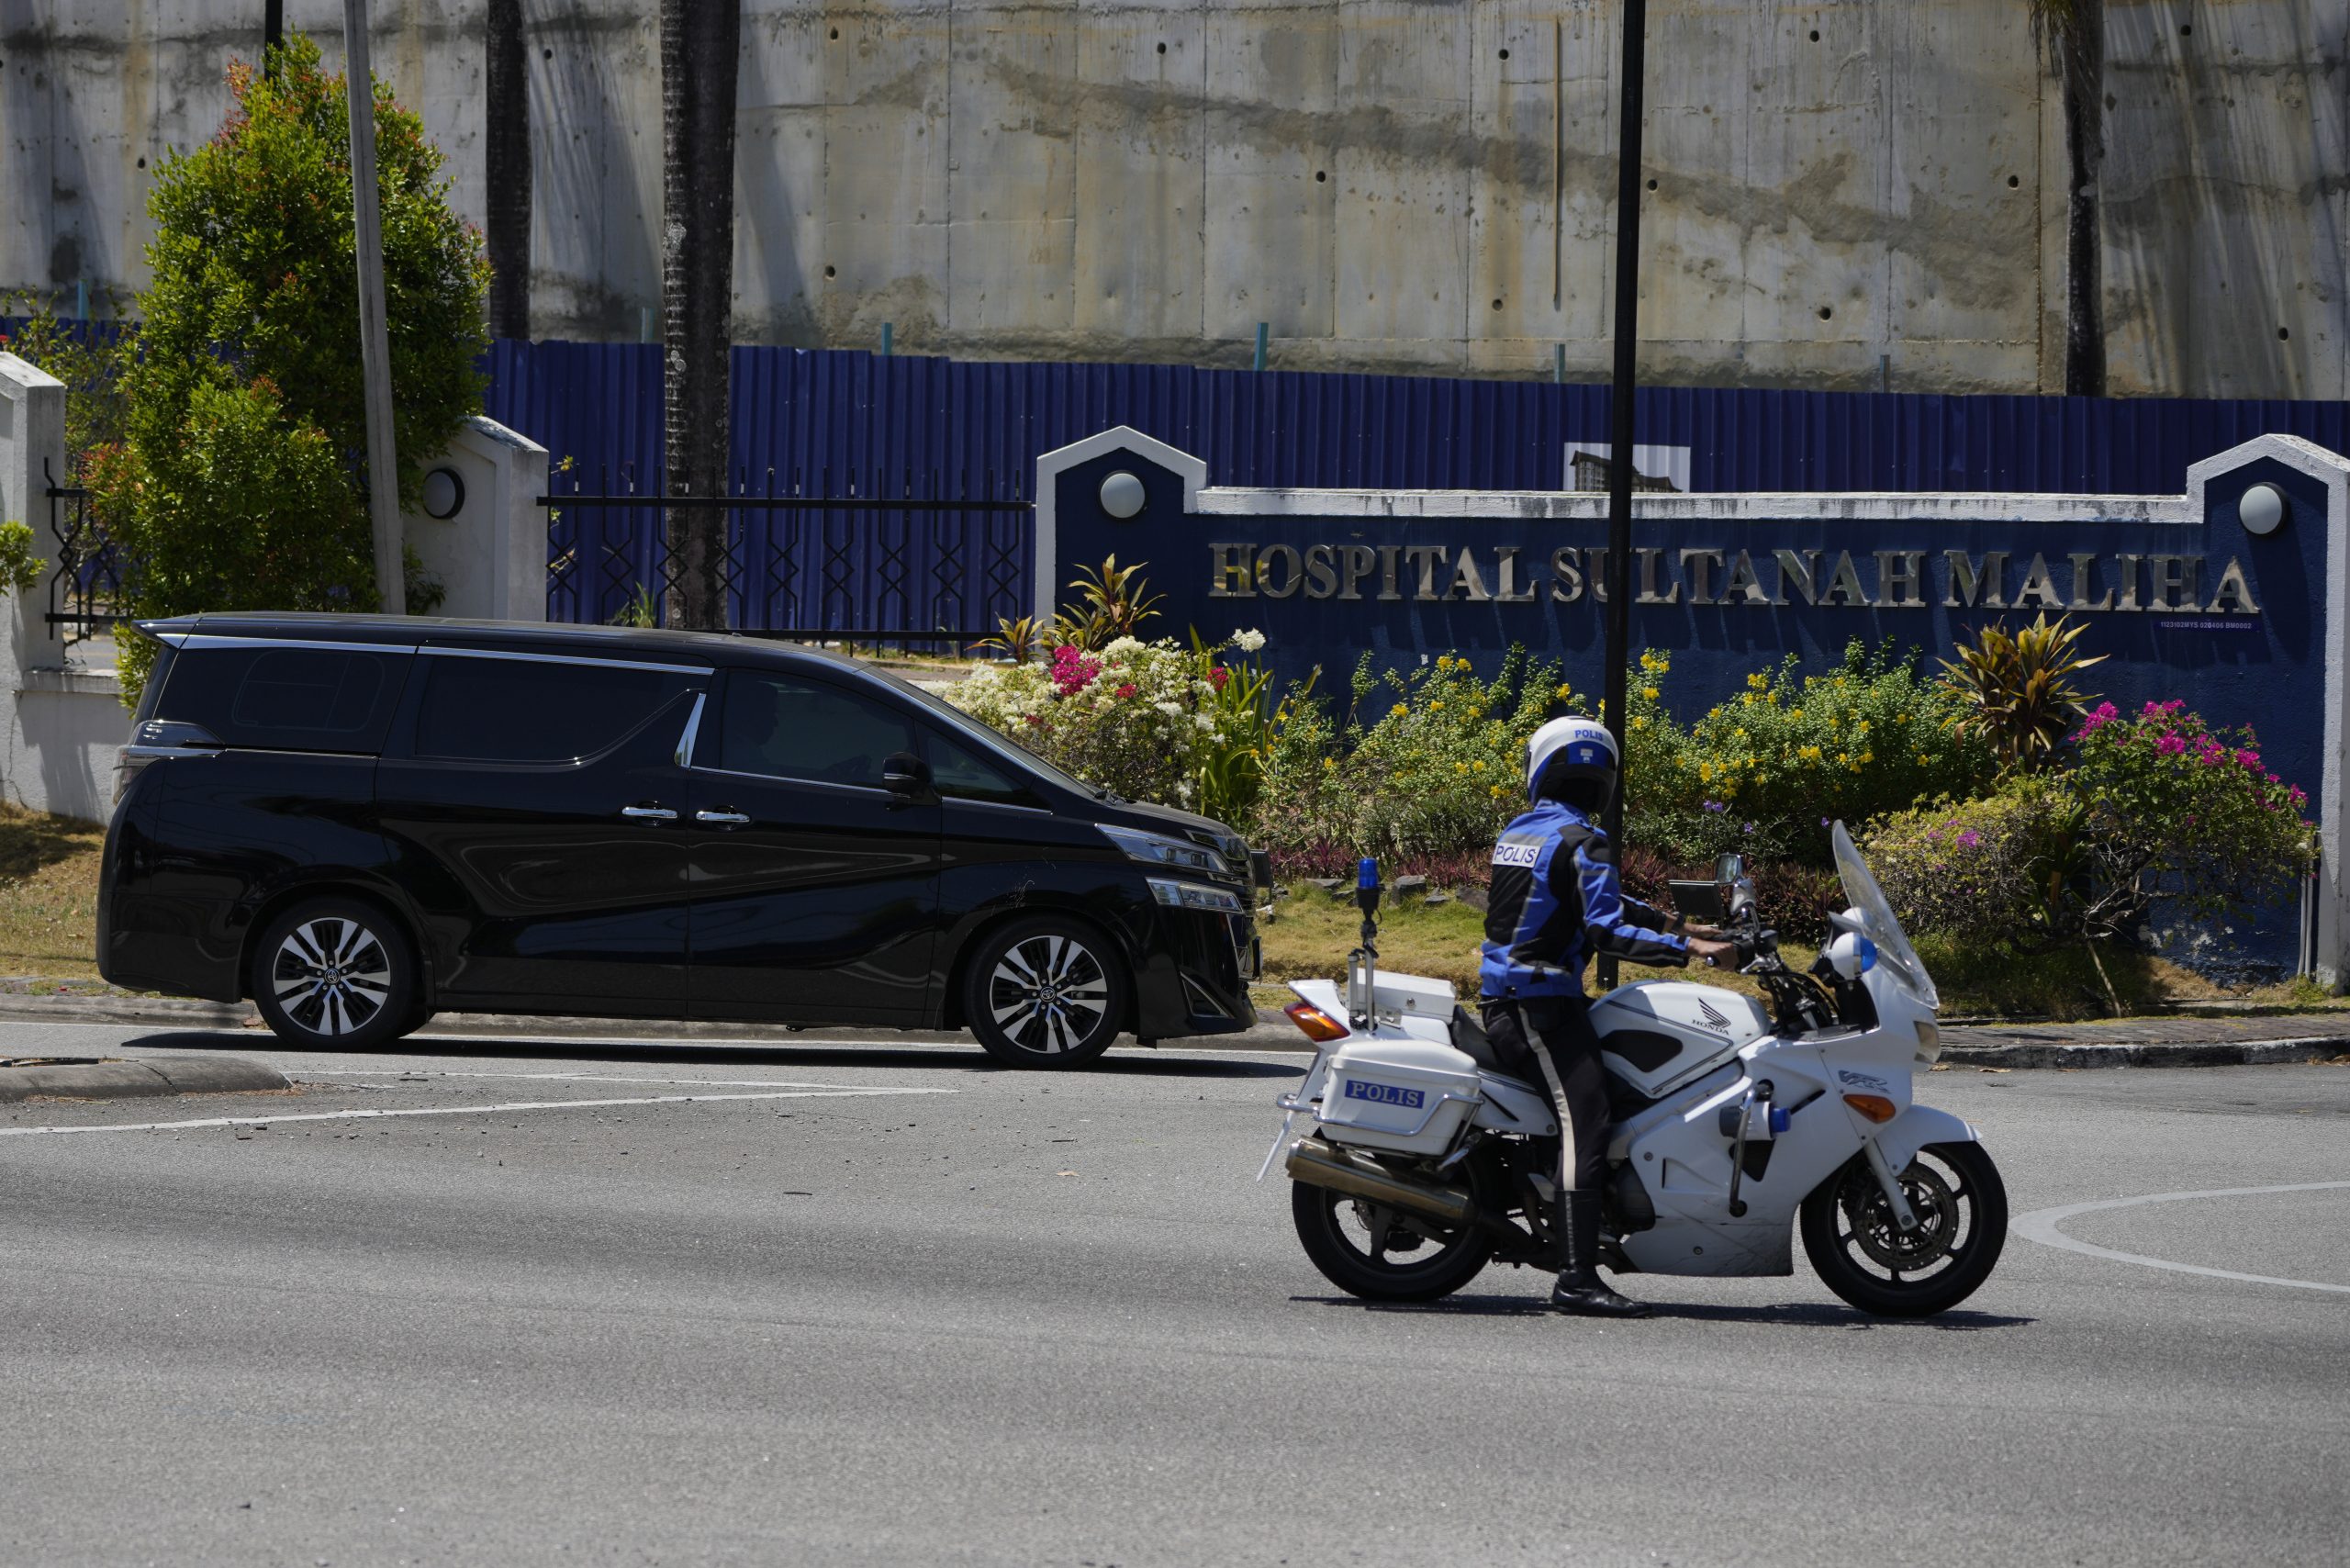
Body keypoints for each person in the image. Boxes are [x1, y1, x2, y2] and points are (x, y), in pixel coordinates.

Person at [1479, 715, 1736, 1318]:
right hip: (1538, 1012)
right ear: (1603, 782)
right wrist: (1689, 952)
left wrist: (1680, 926)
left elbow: (1601, 899)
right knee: (1586, 1121)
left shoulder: (1527, 832)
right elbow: (1604, 926)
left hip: (1518, 1001)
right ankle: (1574, 1277)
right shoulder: (1584, 840)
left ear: (1542, 768)